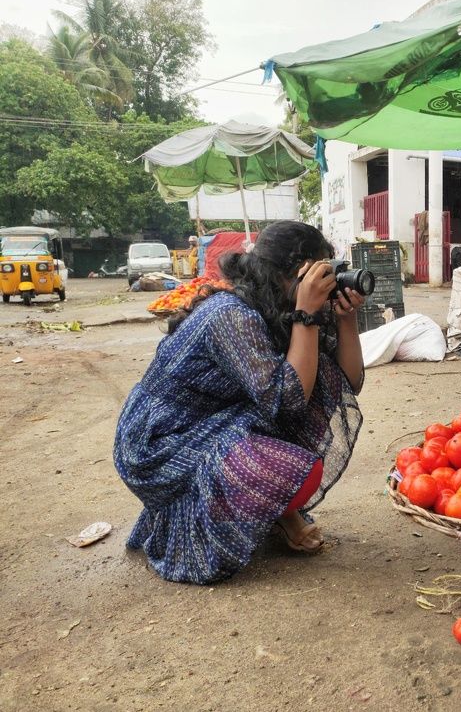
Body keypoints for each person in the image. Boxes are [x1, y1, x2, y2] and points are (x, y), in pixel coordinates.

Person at [115, 221, 366, 584]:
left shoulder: (278, 306)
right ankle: (276, 511)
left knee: (316, 378)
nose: (330, 282)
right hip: (155, 443)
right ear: (299, 272)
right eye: (323, 272)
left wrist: (346, 319)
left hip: (208, 420)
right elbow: (289, 401)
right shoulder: (230, 314)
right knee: (287, 439)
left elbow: (347, 382)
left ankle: (274, 510)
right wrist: (306, 315)